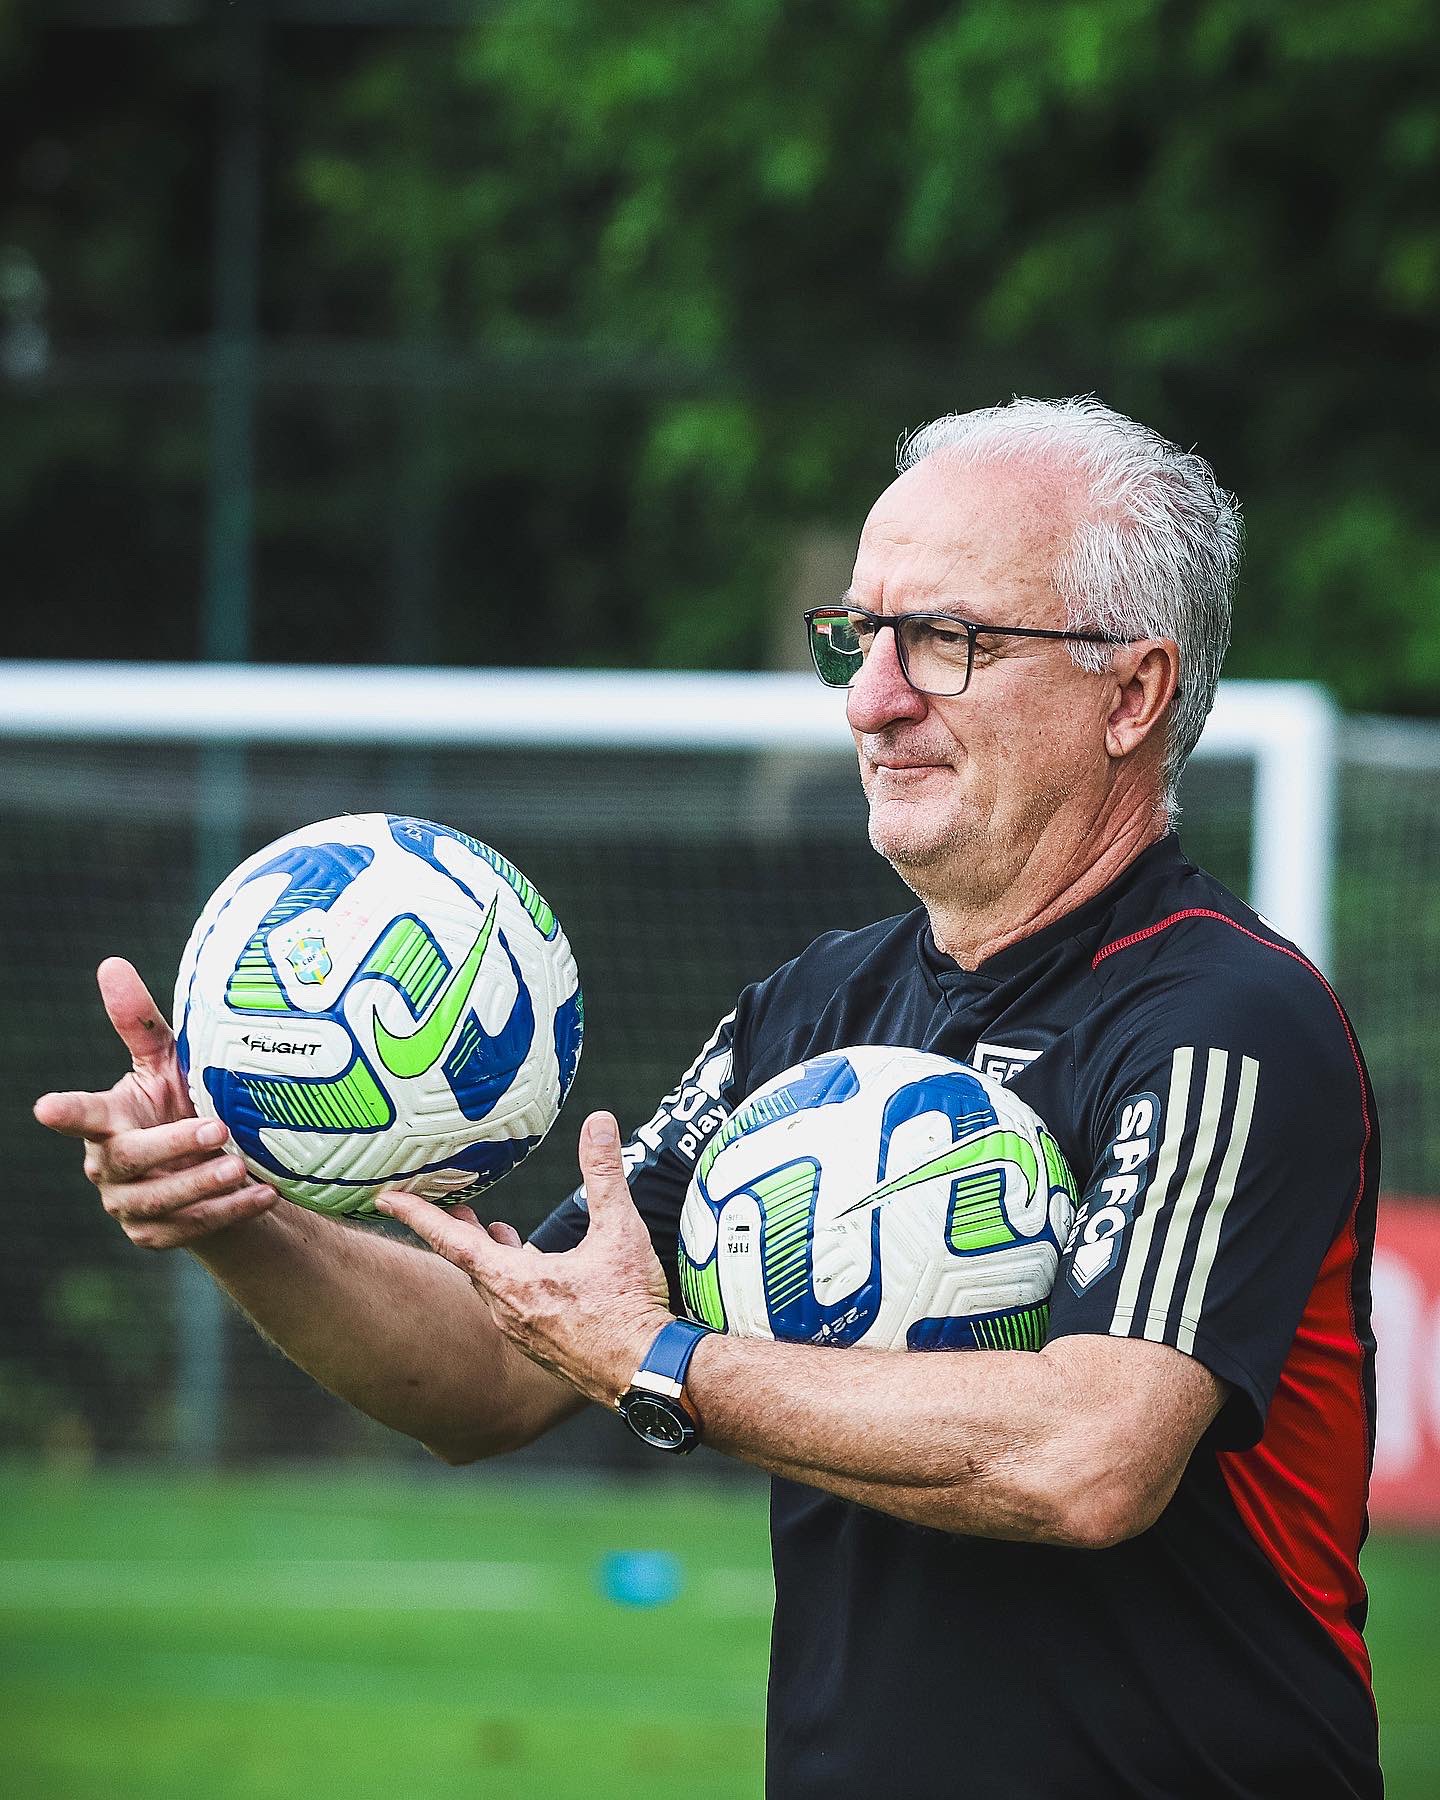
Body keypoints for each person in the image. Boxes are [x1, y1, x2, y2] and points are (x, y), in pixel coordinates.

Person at [36, 396, 1380, 1799]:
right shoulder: (813, 1011)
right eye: (859, 635)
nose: (871, 698)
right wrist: (236, 1212)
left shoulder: (1225, 1021)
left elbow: (1089, 1455)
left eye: (948, 639)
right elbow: (498, 1372)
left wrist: (662, 1362)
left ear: (1132, 694)